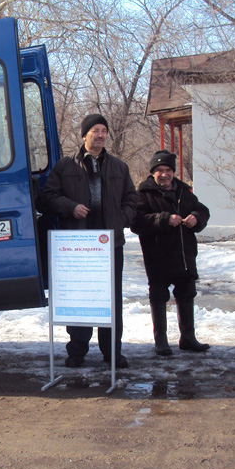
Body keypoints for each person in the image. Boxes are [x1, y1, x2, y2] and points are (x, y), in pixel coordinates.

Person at [38, 113, 138, 368]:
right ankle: (76, 351)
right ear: (84, 135)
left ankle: (112, 352)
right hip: (77, 245)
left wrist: (121, 219)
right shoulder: (65, 167)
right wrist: (70, 207)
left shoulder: (119, 167)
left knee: (110, 299)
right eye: (96, 130)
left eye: (104, 131)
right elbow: (46, 199)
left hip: (110, 244)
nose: (101, 135)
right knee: (79, 297)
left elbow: (132, 199)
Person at [132, 150, 211, 356]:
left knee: (187, 294)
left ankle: (188, 338)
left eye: (168, 170)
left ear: (173, 172)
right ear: (153, 172)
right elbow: (136, 222)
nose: (164, 174)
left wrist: (196, 217)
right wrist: (164, 219)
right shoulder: (144, 194)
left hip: (184, 256)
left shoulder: (184, 192)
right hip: (158, 256)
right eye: (160, 170)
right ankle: (161, 341)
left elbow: (203, 211)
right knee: (158, 297)